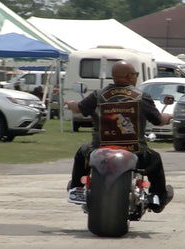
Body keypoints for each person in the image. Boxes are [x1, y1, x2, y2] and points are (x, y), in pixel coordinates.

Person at [64, 61, 174, 213]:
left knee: (81, 153)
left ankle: (76, 189)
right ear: (129, 77)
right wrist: (168, 116)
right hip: (136, 151)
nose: (136, 77)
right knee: (155, 159)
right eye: (135, 74)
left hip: (99, 149)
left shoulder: (98, 95)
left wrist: (70, 104)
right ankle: (158, 197)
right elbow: (158, 120)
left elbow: (79, 108)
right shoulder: (142, 97)